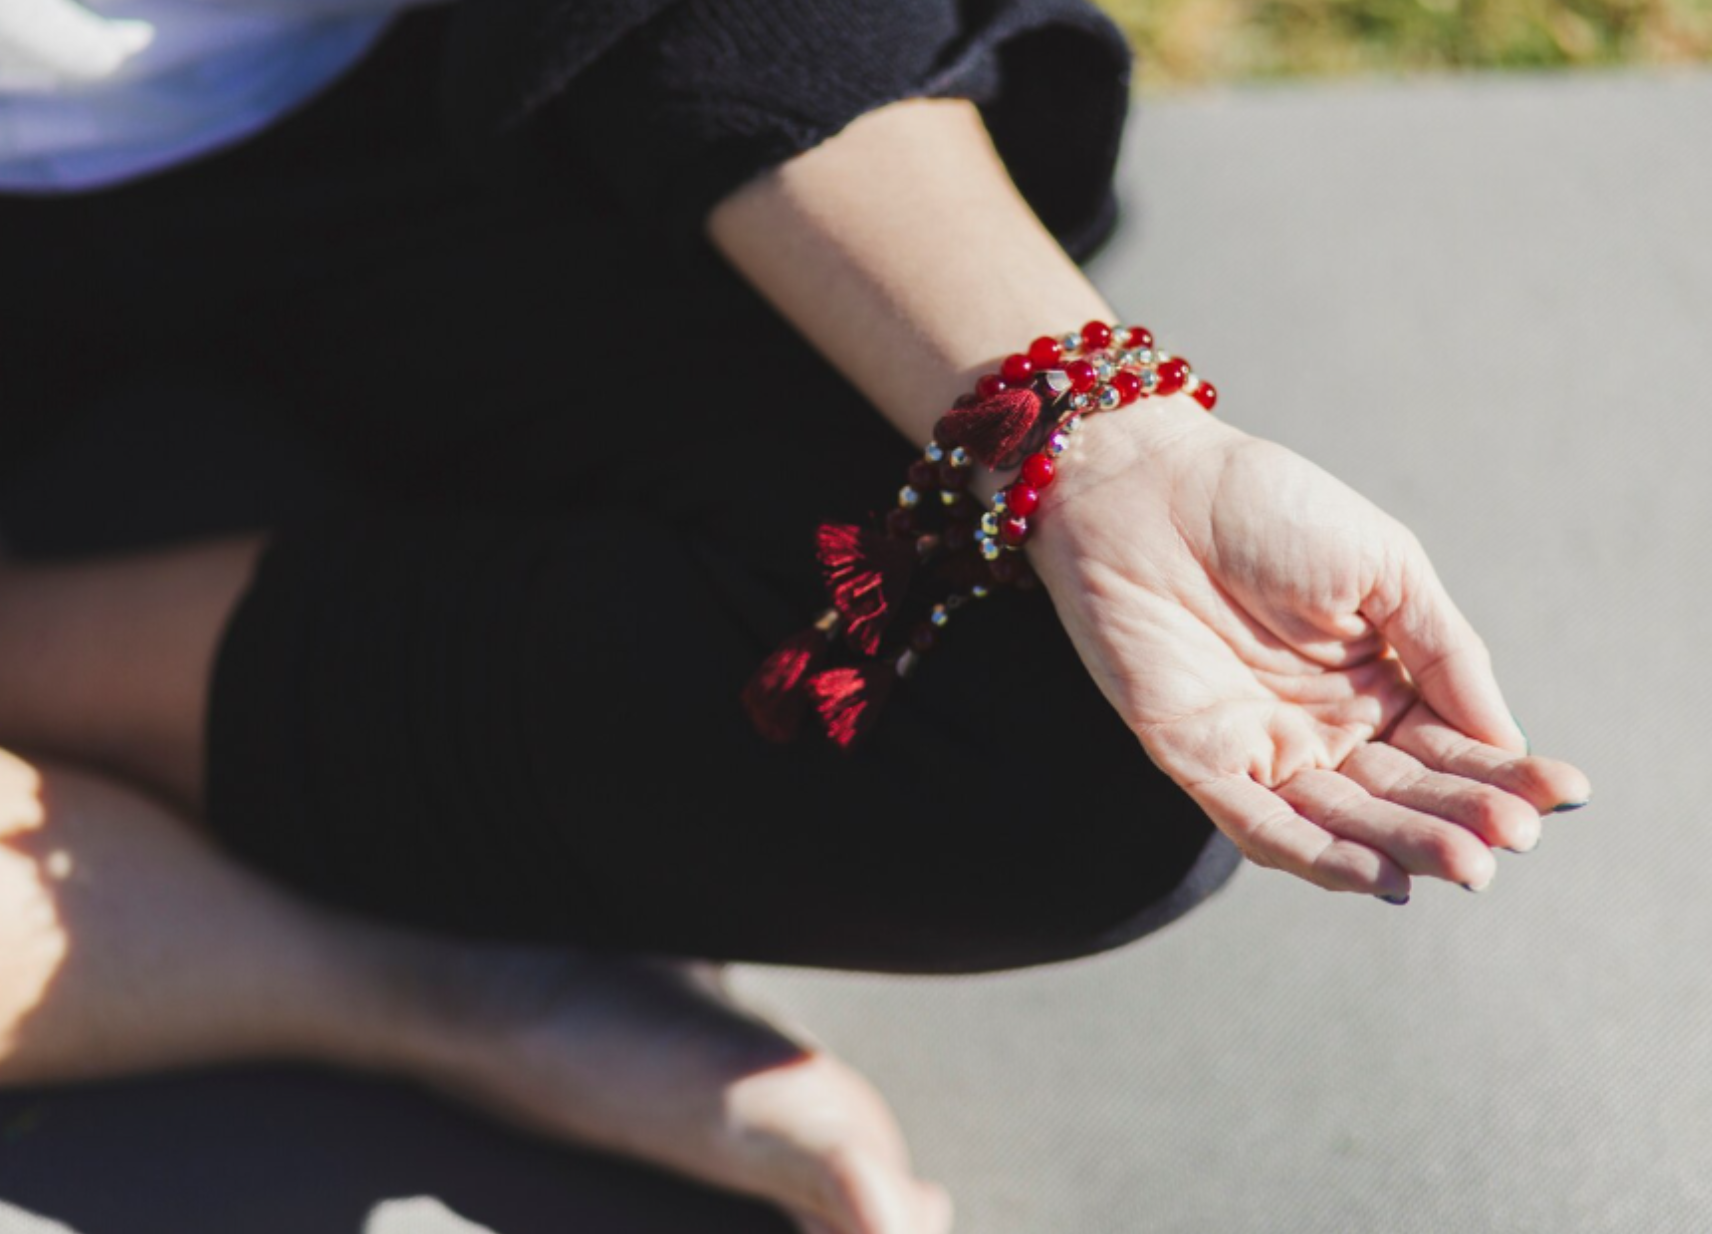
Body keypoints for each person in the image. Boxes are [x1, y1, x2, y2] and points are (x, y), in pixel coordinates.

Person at [0, 3, 1593, 1233]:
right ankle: (399, 966)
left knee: (1067, 735)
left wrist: (1095, 441)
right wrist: (463, 1000)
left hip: (435, 96)